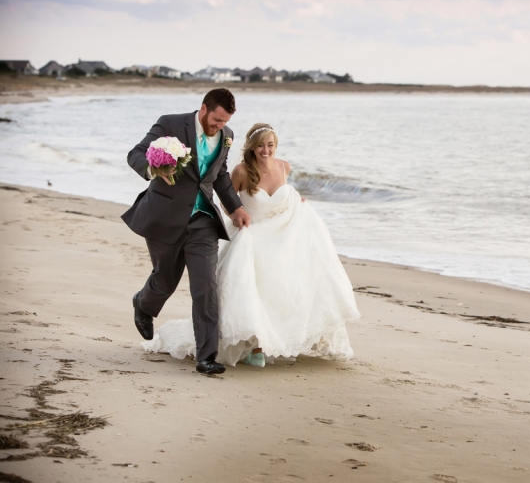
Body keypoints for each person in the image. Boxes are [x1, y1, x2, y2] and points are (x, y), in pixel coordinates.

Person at [142, 123, 360, 366]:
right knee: (251, 284)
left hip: (283, 237)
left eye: (270, 145)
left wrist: (297, 199)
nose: (266, 150)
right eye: (260, 146)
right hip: (252, 234)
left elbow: (284, 195)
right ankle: (254, 346)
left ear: (275, 146)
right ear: (252, 148)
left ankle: (276, 339)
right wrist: (237, 214)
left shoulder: (284, 166)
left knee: (292, 285)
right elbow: (227, 201)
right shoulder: (241, 171)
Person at [122, 89, 251, 375]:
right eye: (216, 120)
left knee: (206, 287)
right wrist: (153, 169)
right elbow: (136, 153)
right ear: (203, 108)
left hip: (202, 220)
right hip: (164, 216)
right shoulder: (170, 124)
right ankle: (143, 303)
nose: (219, 127)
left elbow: (218, 175)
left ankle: (206, 357)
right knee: (164, 281)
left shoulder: (226, 134)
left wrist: (236, 208)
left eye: (224, 122)